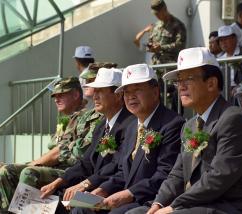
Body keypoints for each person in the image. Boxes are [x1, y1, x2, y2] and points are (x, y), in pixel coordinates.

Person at [128, 47, 242, 214]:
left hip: (231, 206)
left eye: (188, 78)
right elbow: (177, 173)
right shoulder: (190, 125)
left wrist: (175, 206)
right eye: (179, 80)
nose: (181, 87)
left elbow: (218, 177)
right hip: (199, 205)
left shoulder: (233, 119)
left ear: (211, 83)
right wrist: (159, 203)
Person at [72, 64, 184, 214]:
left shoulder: (172, 124)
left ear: (155, 91)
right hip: (124, 196)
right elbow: (122, 170)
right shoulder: (132, 126)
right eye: (126, 91)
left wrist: (128, 194)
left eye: (137, 89)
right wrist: (102, 190)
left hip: (150, 199)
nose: (130, 96)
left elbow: (164, 174)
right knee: (81, 207)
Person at [0, 77, 102, 214]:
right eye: (55, 96)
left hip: (69, 169)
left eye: (61, 95)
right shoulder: (65, 119)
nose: (56, 99)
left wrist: (34, 163)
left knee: (14, 171)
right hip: (52, 165)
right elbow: (54, 147)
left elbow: (63, 152)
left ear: (75, 95)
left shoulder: (87, 117)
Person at [40, 68, 135, 205]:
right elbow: (86, 162)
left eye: (100, 91)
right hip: (95, 185)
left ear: (118, 95)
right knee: (47, 196)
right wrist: (57, 182)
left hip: (113, 191)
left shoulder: (130, 125)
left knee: (76, 205)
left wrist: (85, 185)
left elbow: (116, 166)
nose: (95, 96)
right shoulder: (102, 125)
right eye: (94, 91)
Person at [147, 0, 186, 66]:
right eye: (155, 14)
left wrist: (161, 47)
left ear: (164, 9)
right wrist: (150, 47)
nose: (156, 16)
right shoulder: (156, 26)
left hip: (170, 66)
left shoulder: (178, 25)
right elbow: (150, 41)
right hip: (155, 66)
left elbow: (180, 45)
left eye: (158, 13)